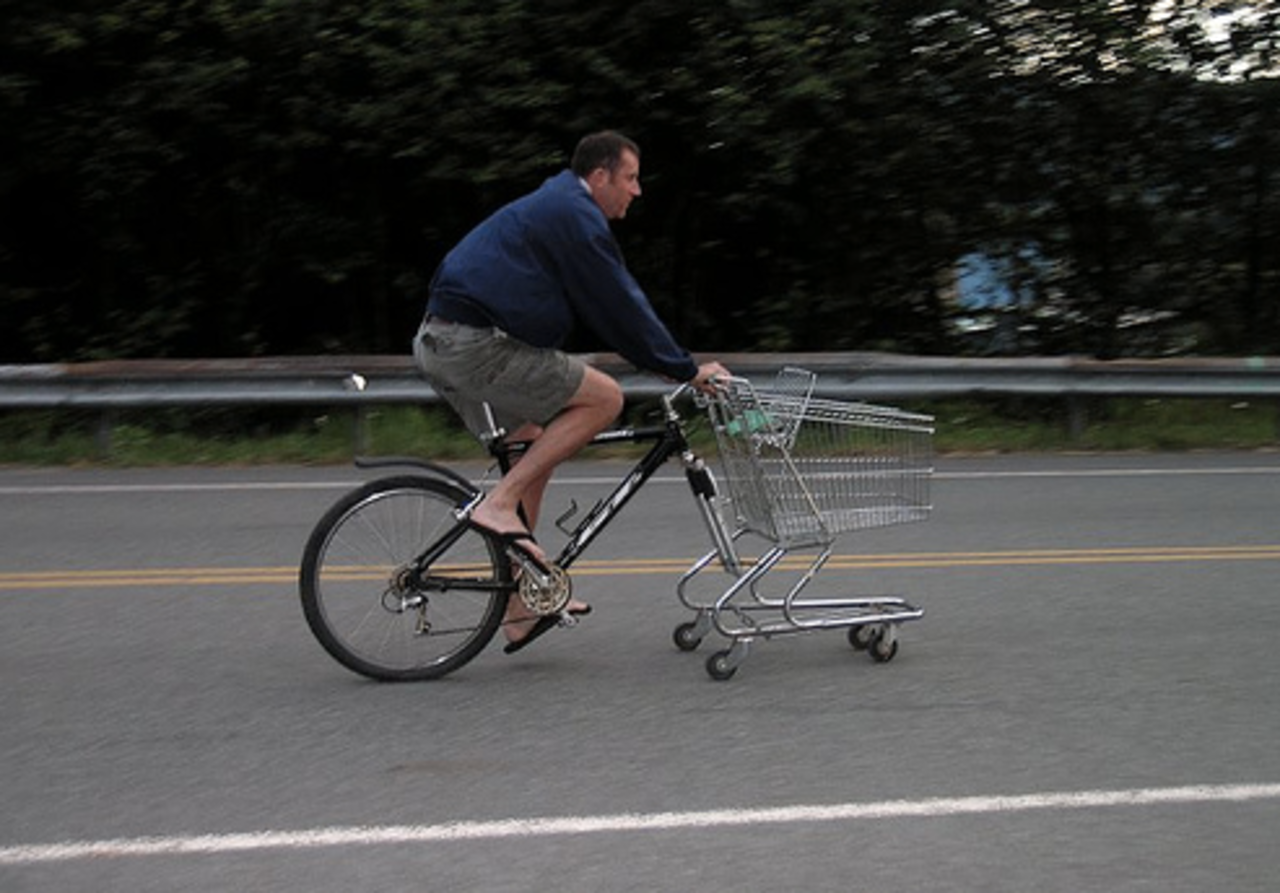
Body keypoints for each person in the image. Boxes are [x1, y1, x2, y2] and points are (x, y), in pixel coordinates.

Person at [413, 130, 729, 653]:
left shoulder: (559, 206)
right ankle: (499, 504)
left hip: (447, 338)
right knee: (604, 398)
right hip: (469, 343)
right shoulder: (574, 215)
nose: (637, 190)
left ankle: (519, 606)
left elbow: (601, 306)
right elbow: (620, 305)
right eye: (630, 178)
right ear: (599, 176)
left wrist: (670, 363)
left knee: (533, 444)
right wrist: (684, 368)